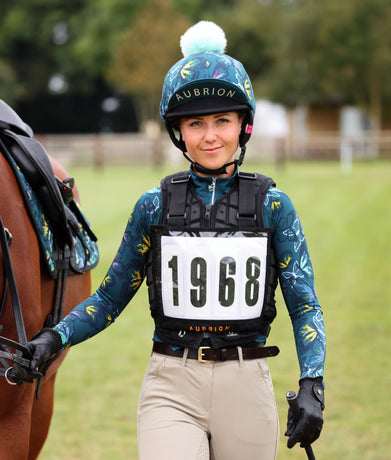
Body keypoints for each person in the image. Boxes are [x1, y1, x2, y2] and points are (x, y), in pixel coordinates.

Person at [12, 21, 326, 460]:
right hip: (170, 384)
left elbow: (304, 303)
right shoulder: (153, 207)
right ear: (179, 132)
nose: (210, 135)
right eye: (196, 123)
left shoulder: (275, 207)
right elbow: (108, 300)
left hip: (247, 383)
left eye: (222, 121)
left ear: (243, 126)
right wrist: (54, 337)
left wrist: (313, 383)